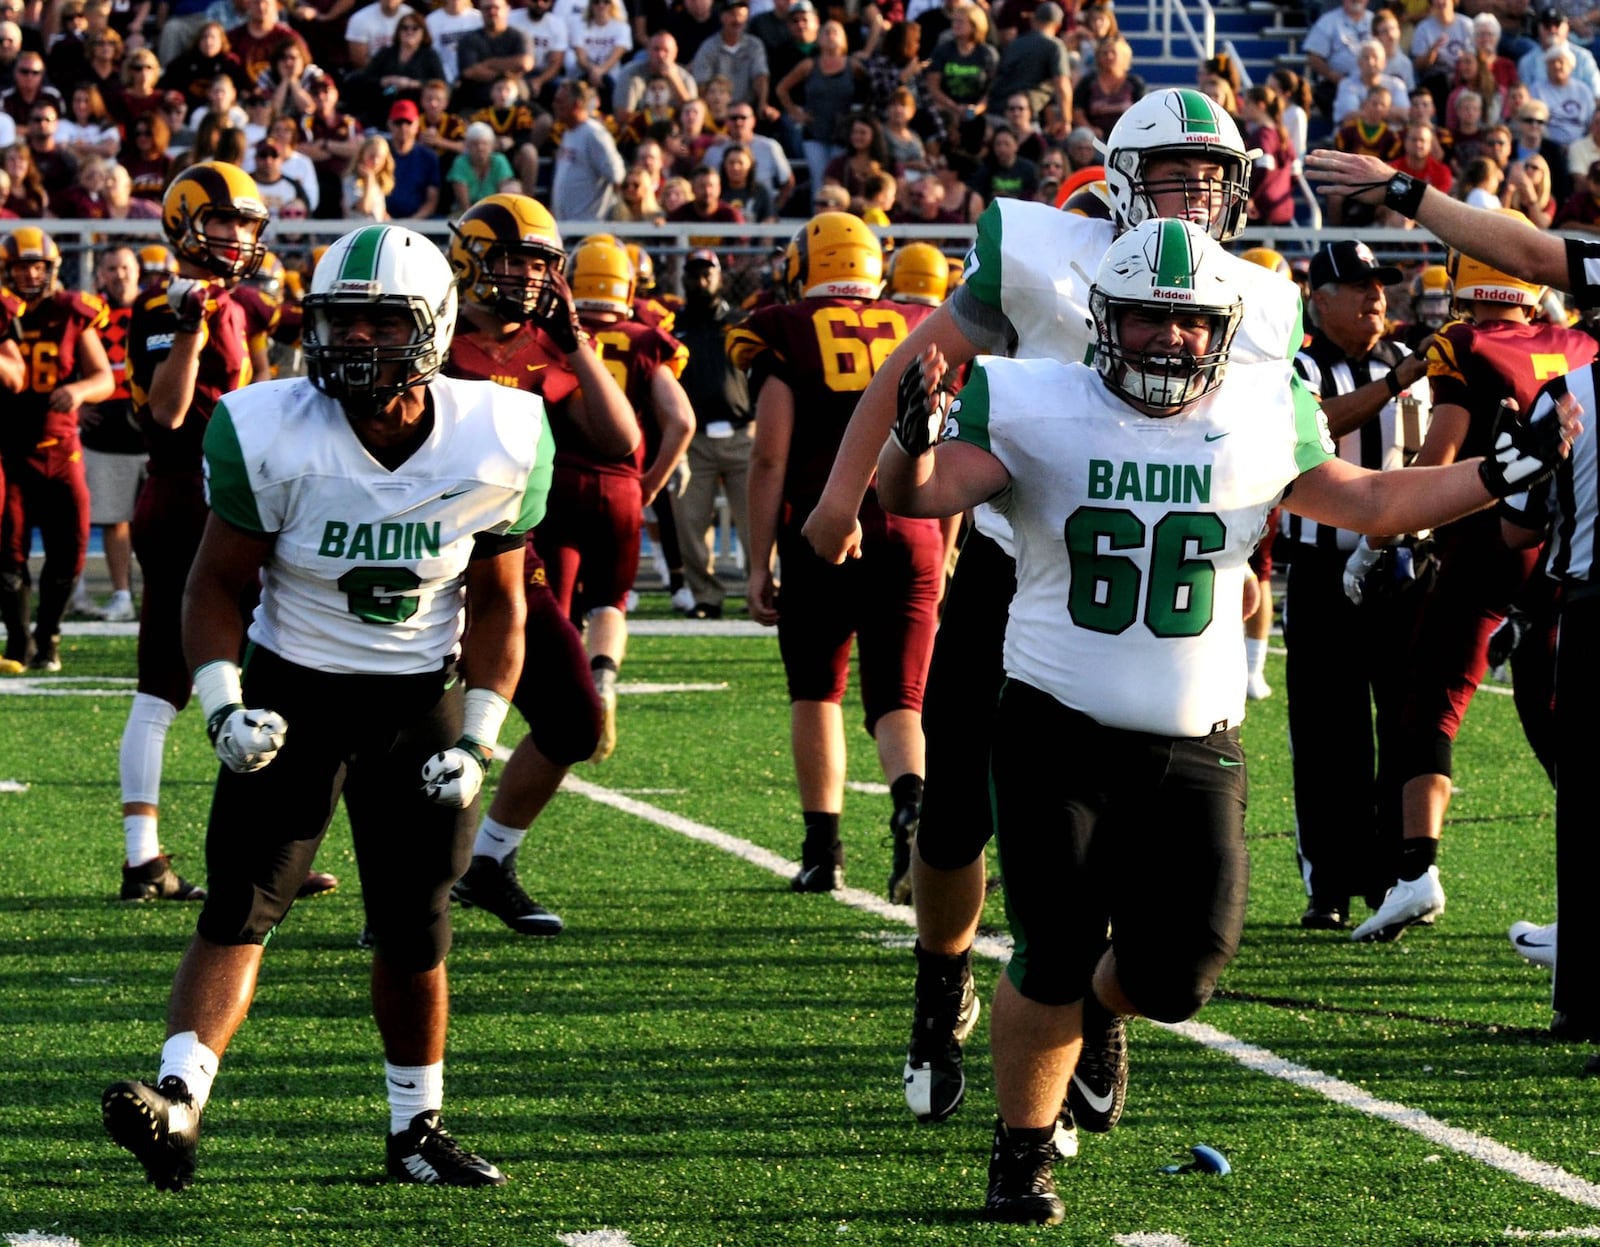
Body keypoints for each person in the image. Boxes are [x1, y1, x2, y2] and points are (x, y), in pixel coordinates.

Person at [872, 214, 1581, 1226]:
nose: (1168, 341)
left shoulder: (1259, 410)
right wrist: (907, 443)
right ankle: (1019, 1154)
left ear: (1220, 330)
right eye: (1146, 321)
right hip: (1050, 720)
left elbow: (1375, 497)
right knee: (1054, 940)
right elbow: (925, 490)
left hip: (1193, 733)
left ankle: (1100, 1014)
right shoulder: (1032, 399)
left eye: (1188, 324)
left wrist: (1496, 476)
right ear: (1101, 323)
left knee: (1183, 968)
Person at [798, 88, 1291, 1137]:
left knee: (1124, 822)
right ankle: (939, 984)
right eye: (1175, 176)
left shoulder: (1249, 289)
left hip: (1140, 595)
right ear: (1118, 177)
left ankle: (1084, 1003)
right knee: (952, 819)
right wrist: (844, 493)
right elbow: (913, 366)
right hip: (1015, 566)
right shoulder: (1037, 252)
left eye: (1216, 179)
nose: (1198, 200)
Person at [100, 222, 553, 1193]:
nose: (352, 341)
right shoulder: (267, 425)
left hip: (417, 700)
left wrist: (479, 736)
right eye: (339, 320)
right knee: (237, 907)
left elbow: (504, 605)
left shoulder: (501, 432)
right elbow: (214, 584)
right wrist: (222, 704)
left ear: (431, 327)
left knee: (415, 919)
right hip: (292, 692)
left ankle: (414, 1129)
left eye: (379, 322)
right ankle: (179, 1099)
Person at [1347, 220, 1597, 943]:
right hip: (1567, 546)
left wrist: (1381, 534)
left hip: (1492, 537)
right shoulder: (1581, 341)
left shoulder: (1465, 341)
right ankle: (1586, 896)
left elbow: (1440, 451)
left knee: (1432, 696)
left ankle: (1417, 872)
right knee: (1556, 718)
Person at [443, 193, 639, 933]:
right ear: (471, 259)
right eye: (515, 261)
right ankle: (401, 884)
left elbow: (619, 439)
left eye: (539, 264)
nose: (529, 279)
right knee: (407, 732)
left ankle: (489, 861)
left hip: (506, 555)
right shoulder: (432, 332)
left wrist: (578, 346)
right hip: (421, 555)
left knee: (575, 721)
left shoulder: (544, 346)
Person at [730, 210, 942, 895]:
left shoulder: (783, 328)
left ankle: (823, 850)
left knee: (817, 688)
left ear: (804, 268)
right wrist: (949, 544)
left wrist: (757, 559)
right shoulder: (918, 322)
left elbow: (769, 456)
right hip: (915, 531)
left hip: (824, 528)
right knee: (901, 699)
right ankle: (912, 805)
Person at [112, 162, 283, 905]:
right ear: (185, 222)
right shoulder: (164, 304)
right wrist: (186, 327)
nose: (241, 236)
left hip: (234, 498)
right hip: (185, 495)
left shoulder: (242, 303)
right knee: (165, 684)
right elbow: (168, 414)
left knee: (264, 674)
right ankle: (146, 857)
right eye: (228, 221)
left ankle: (261, 850)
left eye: (249, 223)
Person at [1283, 240, 1435, 930]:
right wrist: (1396, 383)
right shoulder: (1302, 363)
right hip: (1321, 572)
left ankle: (1394, 874)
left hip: (1398, 573)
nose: (1377, 296)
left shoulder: (1402, 364)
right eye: (1358, 285)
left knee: (1404, 727)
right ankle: (1330, 883)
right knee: (1327, 732)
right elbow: (1313, 427)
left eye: (1380, 284)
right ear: (1319, 297)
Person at [548, 234, 691, 761]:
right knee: (610, 602)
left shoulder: (551, 338)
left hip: (557, 484)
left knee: (556, 612)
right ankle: (603, 678)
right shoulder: (645, 338)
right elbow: (681, 421)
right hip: (621, 489)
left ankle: (562, 707)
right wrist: (649, 482)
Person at [1501, 351, 1600, 1069]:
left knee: (1589, 813)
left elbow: (1518, 529)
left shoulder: (1567, 393)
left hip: (1591, 612)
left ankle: (1586, 999)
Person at [0, 227, 114, 673]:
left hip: (61, 449)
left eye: (37, 266)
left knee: (70, 549)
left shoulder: (70, 311)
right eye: (20, 266)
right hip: (9, 448)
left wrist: (81, 390)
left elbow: (105, 377)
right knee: (7, 553)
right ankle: (18, 640)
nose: (29, 274)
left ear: (51, 269)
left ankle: (49, 635)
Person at [671, 248, 751, 619]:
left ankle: (760, 588)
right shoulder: (674, 326)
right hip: (694, 440)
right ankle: (706, 596)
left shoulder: (741, 322)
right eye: (694, 273)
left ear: (720, 277)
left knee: (755, 521)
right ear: (684, 278)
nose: (701, 280)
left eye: (708, 273)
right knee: (690, 524)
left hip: (741, 434)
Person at [73, 245, 145, 624]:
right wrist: (79, 402)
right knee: (114, 518)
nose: (119, 275)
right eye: (111, 268)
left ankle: (161, 591)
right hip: (107, 433)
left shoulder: (157, 310)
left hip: (155, 431)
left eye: (125, 267)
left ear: (138, 270)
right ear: (100, 274)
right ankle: (121, 595)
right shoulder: (89, 314)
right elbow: (69, 362)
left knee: (158, 519)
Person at [550, 80, 626, 221]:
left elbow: (617, 176)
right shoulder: (568, 132)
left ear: (577, 104)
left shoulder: (594, 134)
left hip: (589, 227)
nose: (555, 106)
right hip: (568, 228)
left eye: (560, 101)